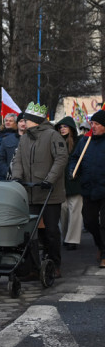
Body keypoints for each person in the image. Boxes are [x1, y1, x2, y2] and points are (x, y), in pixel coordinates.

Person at [10, 102, 67, 276]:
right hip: (30, 192)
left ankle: (54, 263)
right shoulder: (25, 138)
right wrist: (17, 178)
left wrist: (49, 180)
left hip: (50, 193)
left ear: (34, 120)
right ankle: (33, 266)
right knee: (30, 232)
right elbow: (18, 159)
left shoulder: (52, 135)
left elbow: (61, 158)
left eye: (26, 119)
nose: (23, 122)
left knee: (50, 231)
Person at [69, 110, 105, 267]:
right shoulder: (85, 141)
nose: (94, 126)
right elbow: (75, 158)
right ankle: (100, 244)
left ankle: (104, 254)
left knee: (104, 223)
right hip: (89, 188)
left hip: (104, 189)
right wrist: (73, 170)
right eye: (92, 123)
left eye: (97, 124)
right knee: (90, 222)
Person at [55, 117, 83, 251]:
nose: (62, 129)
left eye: (65, 126)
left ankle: (72, 239)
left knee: (75, 211)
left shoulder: (79, 142)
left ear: (71, 128)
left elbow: (82, 159)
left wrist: (77, 172)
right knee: (63, 210)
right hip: (60, 182)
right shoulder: (56, 142)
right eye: (60, 127)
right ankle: (66, 237)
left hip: (75, 182)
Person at [0, 112, 20, 183]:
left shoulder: (17, 137)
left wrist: (6, 171)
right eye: (6, 120)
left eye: (11, 121)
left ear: (16, 123)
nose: (8, 122)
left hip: (7, 173)